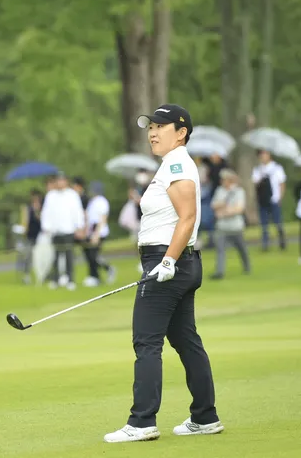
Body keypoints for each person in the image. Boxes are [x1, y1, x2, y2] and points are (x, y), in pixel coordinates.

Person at [104, 104, 223, 444]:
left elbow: (188, 217)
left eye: (161, 126)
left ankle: (142, 421)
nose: (153, 133)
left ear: (181, 132)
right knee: (185, 340)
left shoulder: (176, 163)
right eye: (151, 127)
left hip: (168, 262)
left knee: (146, 341)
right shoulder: (172, 164)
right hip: (177, 262)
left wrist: (168, 261)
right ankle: (205, 417)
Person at [40, 171, 86, 290]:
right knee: (55, 256)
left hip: (68, 230)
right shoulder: (51, 195)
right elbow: (46, 212)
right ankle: (55, 279)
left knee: (69, 256)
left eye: (62, 180)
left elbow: (77, 211)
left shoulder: (72, 195)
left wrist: (79, 226)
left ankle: (70, 280)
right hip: (55, 230)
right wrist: (46, 227)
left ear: (66, 181)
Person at [210, 169, 250, 279]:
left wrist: (224, 212)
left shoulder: (238, 191)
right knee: (220, 250)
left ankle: (247, 267)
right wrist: (223, 205)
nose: (222, 181)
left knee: (242, 249)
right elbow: (214, 205)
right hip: (222, 227)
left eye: (224, 179)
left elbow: (239, 209)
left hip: (236, 227)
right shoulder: (220, 190)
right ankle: (219, 272)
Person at [252, 149, 287, 251]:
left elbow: (282, 183)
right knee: (264, 223)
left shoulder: (277, 168)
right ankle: (265, 243)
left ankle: (282, 241)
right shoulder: (258, 169)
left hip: (274, 198)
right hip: (263, 199)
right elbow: (255, 183)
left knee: (278, 221)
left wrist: (280, 197)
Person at [82, 181, 116, 286]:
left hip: (99, 232)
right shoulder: (92, 201)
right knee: (89, 255)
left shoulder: (102, 201)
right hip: (91, 230)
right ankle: (94, 276)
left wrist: (96, 234)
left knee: (94, 255)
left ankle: (107, 269)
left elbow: (102, 218)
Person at [20, 188, 43, 285]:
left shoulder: (43, 208)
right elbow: (24, 222)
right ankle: (26, 274)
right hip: (30, 235)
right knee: (28, 256)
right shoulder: (27, 208)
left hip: (41, 236)